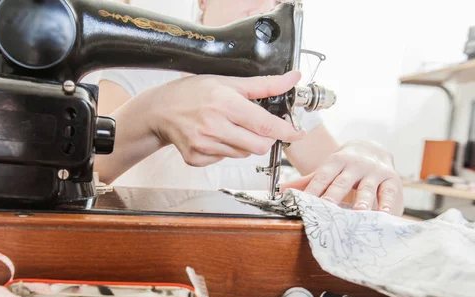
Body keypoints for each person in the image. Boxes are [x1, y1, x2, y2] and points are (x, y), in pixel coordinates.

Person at [93, 0, 404, 216]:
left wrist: (367, 154)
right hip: (149, 254)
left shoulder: (280, 90)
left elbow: (343, 186)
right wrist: (152, 114)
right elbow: (88, 170)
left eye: (279, 2)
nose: (266, 10)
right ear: (203, 1)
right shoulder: (140, 69)